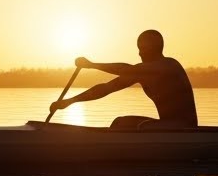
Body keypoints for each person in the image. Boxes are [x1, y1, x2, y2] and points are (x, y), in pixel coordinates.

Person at [49, 29, 198, 128]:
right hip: (166, 126)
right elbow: (105, 88)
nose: (139, 53)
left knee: (143, 127)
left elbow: (126, 69)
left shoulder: (167, 65)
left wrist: (91, 65)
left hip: (185, 127)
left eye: (142, 49)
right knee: (120, 123)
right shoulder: (143, 73)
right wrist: (69, 101)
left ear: (154, 48)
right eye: (138, 49)